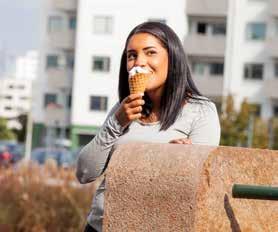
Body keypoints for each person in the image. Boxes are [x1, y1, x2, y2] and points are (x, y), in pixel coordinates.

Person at [76, 21, 220, 232]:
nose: (138, 62)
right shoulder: (123, 109)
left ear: (172, 59)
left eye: (150, 52)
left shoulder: (201, 111)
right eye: (131, 55)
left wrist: (181, 161)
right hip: (100, 227)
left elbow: (201, 188)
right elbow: (85, 172)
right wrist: (116, 123)